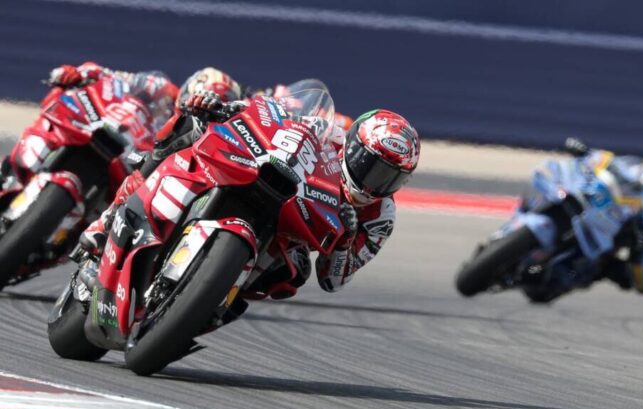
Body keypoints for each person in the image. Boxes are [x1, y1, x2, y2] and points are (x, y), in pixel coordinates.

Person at [79, 89, 420, 299]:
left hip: (292, 235)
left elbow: (334, 281)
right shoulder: (329, 133)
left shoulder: (381, 218)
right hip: (269, 184)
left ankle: (213, 302)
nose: (374, 183)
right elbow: (272, 115)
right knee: (189, 128)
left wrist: (344, 243)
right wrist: (226, 107)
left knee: (292, 274)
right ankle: (108, 221)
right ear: (353, 146)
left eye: (390, 178)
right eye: (371, 166)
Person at [522, 140, 643, 302]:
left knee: (591, 269)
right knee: (566, 181)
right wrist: (587, 153)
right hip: (605, 210)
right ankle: (530, 210)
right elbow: (616, 164)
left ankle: (557, 275)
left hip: (610, 247)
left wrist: (638, 251)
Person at [0, 62, 178, 191]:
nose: (162, 107)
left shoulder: (171, 128)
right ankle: (7, 172)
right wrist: (77, 74)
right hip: (95, 127)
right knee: (61, 100)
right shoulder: (148, 86)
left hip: (125, 156)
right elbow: (102, 73)